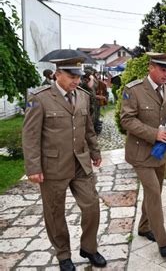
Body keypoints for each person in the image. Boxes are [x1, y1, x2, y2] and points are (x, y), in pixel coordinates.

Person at [22, 57, 106, 271]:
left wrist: (95, 152)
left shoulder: (83, 97)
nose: (76, 81)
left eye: (78, 77)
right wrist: (33, 167)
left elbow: (88, 129)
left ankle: (89, 248)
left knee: (92, 206)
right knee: (54, 212)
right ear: (58, 74)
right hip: (53, 167)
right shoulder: (39, 98)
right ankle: (63, 255)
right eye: (72, 76)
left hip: (80, 163)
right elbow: (30, 135)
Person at [120, 52, 166, 257]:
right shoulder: (133, 90)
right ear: (151, 67)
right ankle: (163, 242)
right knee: (153, 192)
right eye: (163, 69)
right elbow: (126, 120)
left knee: (155, 191)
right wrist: (155, 134)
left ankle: (144, 226)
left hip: (161, 154)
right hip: (140, 153)